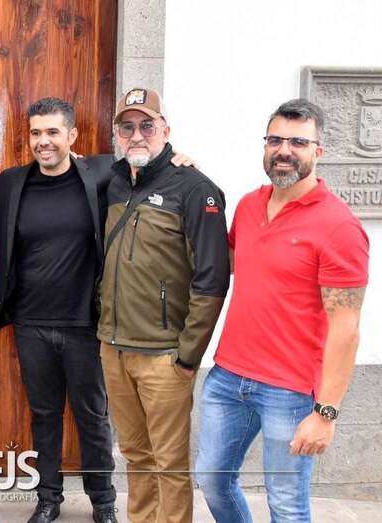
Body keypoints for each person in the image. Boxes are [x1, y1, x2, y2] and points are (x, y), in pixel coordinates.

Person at [195, 99, 369, 523]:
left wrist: (325, 413)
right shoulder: (249, 206)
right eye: (275, 140)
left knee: (287, 504)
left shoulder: (340, 227)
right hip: (229, 376)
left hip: (290, 391)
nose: (284, 150)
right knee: (212, 480)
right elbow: (225, 264)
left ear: (318, 151)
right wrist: (186, 179)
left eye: (297, 142)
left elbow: (346, 329)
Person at [96, 88, 230, 523]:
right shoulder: (114, 181)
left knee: (168, 462)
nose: (137, 135)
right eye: (127, 127)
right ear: (117, 133)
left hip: (164, 356)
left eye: (147, 125)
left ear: (165, 130)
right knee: (135, 453)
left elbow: (212, 279)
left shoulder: (195, 188)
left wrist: (188, 355)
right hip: (114, 348)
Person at [0, 97, 118, 523]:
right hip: (31, 323)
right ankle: (48, 499)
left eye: (52, 132)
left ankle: (103, 502)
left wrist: (181, 160)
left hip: (83, 324)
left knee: (92, 416)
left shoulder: (101, 174)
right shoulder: (11, 183)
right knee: (44, 416)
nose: (43, 141)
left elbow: (149, 166)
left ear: (72, 136)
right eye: (36, 133)